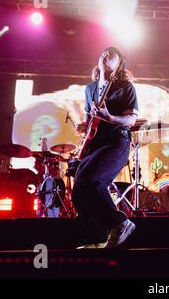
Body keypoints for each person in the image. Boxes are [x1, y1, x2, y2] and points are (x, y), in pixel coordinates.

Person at [73, 47, 138, 249]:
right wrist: (83, 127)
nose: (105, 53)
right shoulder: (90, 89)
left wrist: (110, 117)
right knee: (78, 190)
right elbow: (89, 122)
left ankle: (120, 223)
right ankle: (96, 238)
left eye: (112, 53)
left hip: (116, 141)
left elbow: (131, 119)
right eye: (103, 52)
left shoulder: (125, 87)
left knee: (92, 181)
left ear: (119, 64)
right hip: (96, 144)